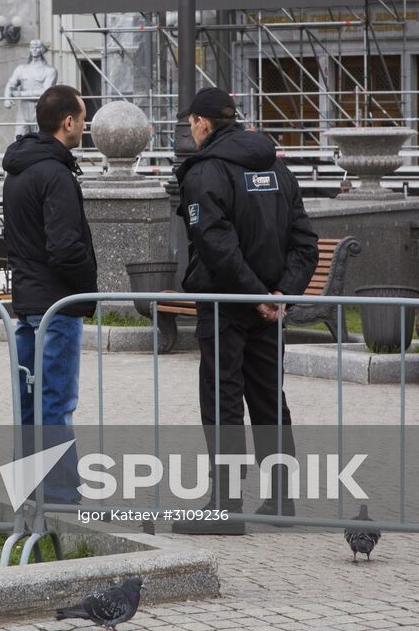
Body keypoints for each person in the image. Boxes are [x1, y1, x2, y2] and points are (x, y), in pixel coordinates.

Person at [171, 87, 318, 535]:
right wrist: (279, 296)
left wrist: (256, 295)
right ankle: (280, 499)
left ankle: (226, 505)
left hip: (226, 302)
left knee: (223, 399)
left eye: (190, 123)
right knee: (270, 398)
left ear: (202, 122)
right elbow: (305, 243)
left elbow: (215, 244)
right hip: (268, 305)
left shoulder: (206, 171)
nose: (190, 131)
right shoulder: (276, 165)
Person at [2, 84, 97, 504]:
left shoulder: (18, 169)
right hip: (55, 305)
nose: (85, 126)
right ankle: (59, 494)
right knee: (55, 402)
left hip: (27, 303)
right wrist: (86, 288)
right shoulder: (55, 173)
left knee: (29, 404)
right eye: (83, 118)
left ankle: (32, 489)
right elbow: (65, 247)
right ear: (68, 122)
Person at [2, 39, 59, 138]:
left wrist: (20, 94)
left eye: (37, 47)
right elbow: (10, 84)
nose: (34, 50)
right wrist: (7, 98)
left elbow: (45, 92)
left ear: (42, 50)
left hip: (40, 112)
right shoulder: (21, 69)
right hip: (23, 113)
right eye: (32, 47)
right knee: (19, 138)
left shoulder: (50, 71)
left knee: (40, 139)